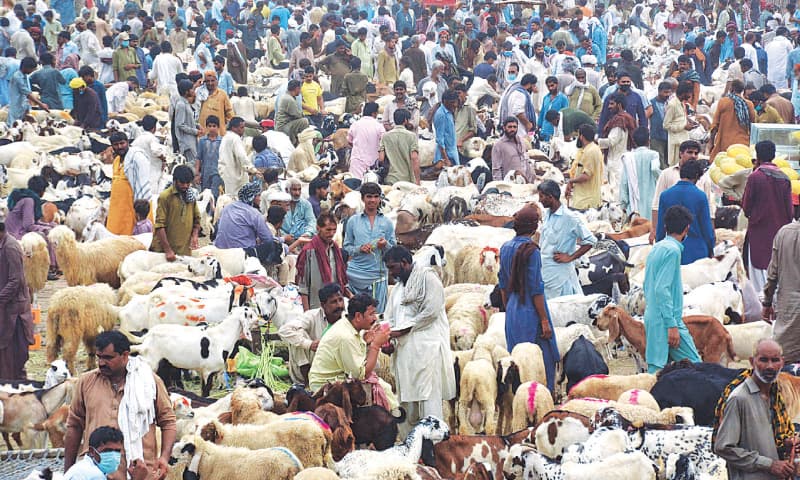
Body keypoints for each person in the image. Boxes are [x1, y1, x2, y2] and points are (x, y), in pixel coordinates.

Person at [64, 331, 176, 479]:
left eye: (108, 358)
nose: (102, 363)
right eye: (99, 357)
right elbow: (74, 425)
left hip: (141, 472)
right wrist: (69, 470)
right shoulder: (86, 382)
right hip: (98, 473)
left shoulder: (149, 382)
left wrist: (164, 458)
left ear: (125, 355)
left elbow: (168, 422)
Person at [383, 245, 455, 436]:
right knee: (407, 402)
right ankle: (409, 445)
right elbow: (389, 317)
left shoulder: (429, 279)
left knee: (428, 399)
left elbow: (430, 313)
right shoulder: (398, 289)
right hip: (405, 355)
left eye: (392, 267)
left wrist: (400, 330)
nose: (391, 272)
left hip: (427, 351)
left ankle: (434, 446)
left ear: (405, 263)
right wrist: (387, 340)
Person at [714, 338, 797, 480]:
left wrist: (786, 443)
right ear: (752, 362)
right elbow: (723, 447)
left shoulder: (775, 394)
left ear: (782, 362)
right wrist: (770, 465)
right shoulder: (739, 398)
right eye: (763, 360)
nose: (770, 366)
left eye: (775, 360)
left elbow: (765, 439)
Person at [497, 205, 559, 391]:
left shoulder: (506, 247)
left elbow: (503, 283)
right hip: (531, 309)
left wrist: (509, 308)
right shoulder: (532, 251)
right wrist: (544, 320)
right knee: (541, 356)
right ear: (534, 227)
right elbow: (536, 288)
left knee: (517, 357)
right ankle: (539, 396)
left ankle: (519, 397)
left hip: (514, 308)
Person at [307, 293, 397, 410]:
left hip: (338, 378)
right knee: (380, 393)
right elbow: (361, 374)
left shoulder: (350, 327)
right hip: (325, 386)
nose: (375, 318)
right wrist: (375, 345)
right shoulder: (346, 336)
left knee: (385, 388)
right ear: (358, 316)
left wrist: (366, 342)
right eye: (371, 314)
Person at [643, 205, 702, 373]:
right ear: (686, 229)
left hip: (655, 316)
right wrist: (671, 325)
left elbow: (648, 285)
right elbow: (662, 289)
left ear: (665, 227)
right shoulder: (673, 251)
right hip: (666, 320)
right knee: (694, 366)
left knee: (657, 368)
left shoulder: (657, 248)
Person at [743, 141, 793, 294]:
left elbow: (746, 208)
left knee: (758, 278)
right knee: (776, 274)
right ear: (774, 155)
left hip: (758, 235)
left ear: (757, 156)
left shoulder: (755, 177)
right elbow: (790, 212)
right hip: (780, 235)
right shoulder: (785, 178)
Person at [537, 180, 596, 299]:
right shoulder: (547, 215)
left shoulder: (570, 218)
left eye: (541, 196)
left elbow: (591, 241)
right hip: (546, 272)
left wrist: (570, 257)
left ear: (550, 197)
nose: (539, 200)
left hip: (561, 275)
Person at [344, 182, 396, 313]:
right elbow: (346, 247)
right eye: (369, 196)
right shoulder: (353, 221)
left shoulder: (387, 223)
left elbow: (394, 251)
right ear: (363, 198)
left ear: (380, 199)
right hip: (355, 273)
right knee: (355, 313)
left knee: (377, 314)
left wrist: (385, 245)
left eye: (375, 196)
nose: (372, 200)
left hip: (377, 275)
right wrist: (359, 249)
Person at [278, 283, 346, 385]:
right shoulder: (312, 316)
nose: (339, 305)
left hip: (336, 368)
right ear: (323, 305)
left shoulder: (347, 317)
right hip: (312, 366)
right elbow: (284, 330)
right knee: (297, 334)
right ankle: (308, 383)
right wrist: (309, 344)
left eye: (340, 300)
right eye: (333, 302)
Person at [656, 160, 715, 265]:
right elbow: (707, 228)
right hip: (697, 251)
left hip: (671, 250)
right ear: (697, 175)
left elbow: (660, 228)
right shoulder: (700, 196)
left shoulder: (665, 195)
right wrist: (711, 248)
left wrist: (660, 247)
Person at [5, 175, 59, 279]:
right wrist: (46, 228)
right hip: (16, 233)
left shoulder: (24, 197)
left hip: (17, 229)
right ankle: (48, 268)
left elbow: (32, 222)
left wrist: (49, 225)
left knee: (50, 229)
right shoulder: (29, 201)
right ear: (41, 190)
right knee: (44, 236)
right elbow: (28, 225)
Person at [296, 213, 349, 311]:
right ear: (318, 228)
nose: (331, 233)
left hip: (336, 307)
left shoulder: (335, 249)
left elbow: (341, 280)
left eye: (334, 230)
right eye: (328, 230)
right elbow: (303, 287)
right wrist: (307, 314)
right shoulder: (308, 251)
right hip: (316, 307)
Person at [0, 221, 33, 379]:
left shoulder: (10, 248)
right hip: (6, 306)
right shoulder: (2, 245)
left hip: (14, 309)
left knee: (12, 350)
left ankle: (12, 383)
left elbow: (15, 280)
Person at [106, 132, 151, 236]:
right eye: (116, 145)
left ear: (127, 142)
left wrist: (140, 211)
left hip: (132, 208)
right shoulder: (116, 160)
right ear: (112, 146)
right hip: (117, 209)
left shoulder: (137, 158)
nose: (120, 147)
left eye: (122, 143)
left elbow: (143, 183)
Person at [150, 165, 199, 260]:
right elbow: (160, 225)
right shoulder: (165, 197)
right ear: (175, 180)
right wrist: (168, 250)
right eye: (182, 183)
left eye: (188, 183)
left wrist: (195, 236)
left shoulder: (191, 196)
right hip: (164, 252)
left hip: (184, 250)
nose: (185, 186)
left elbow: (197, 219)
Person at [214, 180, 274, 249]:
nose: (260, 199)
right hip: (242, 253)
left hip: (220, 249)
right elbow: (268, 239)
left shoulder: (228, 207)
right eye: (258, 195)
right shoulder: (254, 213)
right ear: (252, 197)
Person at [710, 79, 756, 160]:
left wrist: (711, 144)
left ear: (731, 89)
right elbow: (753, 127)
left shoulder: (723, 102)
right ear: (742, 90)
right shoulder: (749, 104)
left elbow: (714, 126)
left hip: (725, 145)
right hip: (743, 145)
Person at [620, 127, 662, 216]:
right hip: (651, 199)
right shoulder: (653, 154)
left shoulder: (629, 158)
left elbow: (624, 182)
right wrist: (661, 176)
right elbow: (655, 169)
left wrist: (623, 203)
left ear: (634, 141)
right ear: (648, 140)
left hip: (634, 201)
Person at [598, 93, 635, 186]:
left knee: (615, 192)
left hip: (616, 162)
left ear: (619, 105)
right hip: (623, 159)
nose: (609, 107)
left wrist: (595, 141)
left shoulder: (619, 120)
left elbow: (611, 141)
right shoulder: (627, 117)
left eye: (612, 104)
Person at [567, 124, 603, 210]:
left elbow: (586, 176)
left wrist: (571, 181)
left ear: (581, 136)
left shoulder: (590, 152)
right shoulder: (594, 148)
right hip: (590, 198)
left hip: (585, 201)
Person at [380, 108, 420, 185]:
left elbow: (381, 158)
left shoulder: (385, 136)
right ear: (405, 120)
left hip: (390, 178)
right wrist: (417, 180)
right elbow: (414, 158)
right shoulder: (412, 136)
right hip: (406, 180)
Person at [218, 117, 257, 196]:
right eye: (241, 127)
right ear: (234, 128)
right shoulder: (235, 138)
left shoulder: (226, 137)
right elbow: (241, 156)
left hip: (226, 173)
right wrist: (252, 169)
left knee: (229, 198)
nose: (243, 130)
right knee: (237, 198)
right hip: (234, 177)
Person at [348, 102, 385, 179]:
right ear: (374, 113)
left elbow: (349, 141)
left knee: (355, 184)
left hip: (357, 161)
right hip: (373, 162)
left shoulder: (355, 124)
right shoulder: (379, 126)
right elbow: (383, 143)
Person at [8, 56, 49, 125]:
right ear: (26, 67)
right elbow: (27, 93)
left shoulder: (25, 76)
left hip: (24, 106)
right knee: (15, 126)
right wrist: (41, 104)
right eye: (32, 69)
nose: (32, 71)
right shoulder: (17, 77)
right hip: (17, 107)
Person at [492, 116, 531, 182]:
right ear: (504, 128)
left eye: (515, 127)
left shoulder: (521, 141)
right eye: (510, 127)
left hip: (524, 183)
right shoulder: (498, 145)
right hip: (509, 184)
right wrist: (500, 187)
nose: (512, 129)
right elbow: (496, 169)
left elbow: (526, 163)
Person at [198, 71, 233, 135]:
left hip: (219, 133)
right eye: (207, 81)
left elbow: (229, 112)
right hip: (203, 131)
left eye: (212, 80)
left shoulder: (222, 94)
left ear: (216, 81)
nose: (210, 83)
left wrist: (228, 127)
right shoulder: (200, 94)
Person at [275, 80, 309, 145]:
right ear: (297, 88)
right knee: (304, 121)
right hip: (283, 127)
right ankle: (304, 143)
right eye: (300, 89)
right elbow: (297, 115)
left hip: (281, 125)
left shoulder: (286, 96)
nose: (300, 91)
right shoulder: (289, 99)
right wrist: (303, 114)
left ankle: (295, 140)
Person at [538, 76, 569, 142]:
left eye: (552, 85)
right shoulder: (546, 98)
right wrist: (539, 126)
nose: (550, 88)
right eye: (548, 86)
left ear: (557, 84)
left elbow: (565, 115)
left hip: (555, 131)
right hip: (544, 130)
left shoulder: (563, 98)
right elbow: (542, 113)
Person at [434, 89, 460, 168]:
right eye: (452, 102)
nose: (455, 105)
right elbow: (440, 140)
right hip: (446, 156)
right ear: (445, 101)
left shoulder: (449, 112)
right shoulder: (441, 114)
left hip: (452, 152)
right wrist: (446, 159)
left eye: (455, 102)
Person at [649, 81, 672, 169]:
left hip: (668, 136)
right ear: (659, 91)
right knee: (659, 162)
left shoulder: (670, 104)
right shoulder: (651, 103)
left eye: (669, 92)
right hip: (656, 136)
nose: (667, 95)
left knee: (668, 160)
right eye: (665, 92)